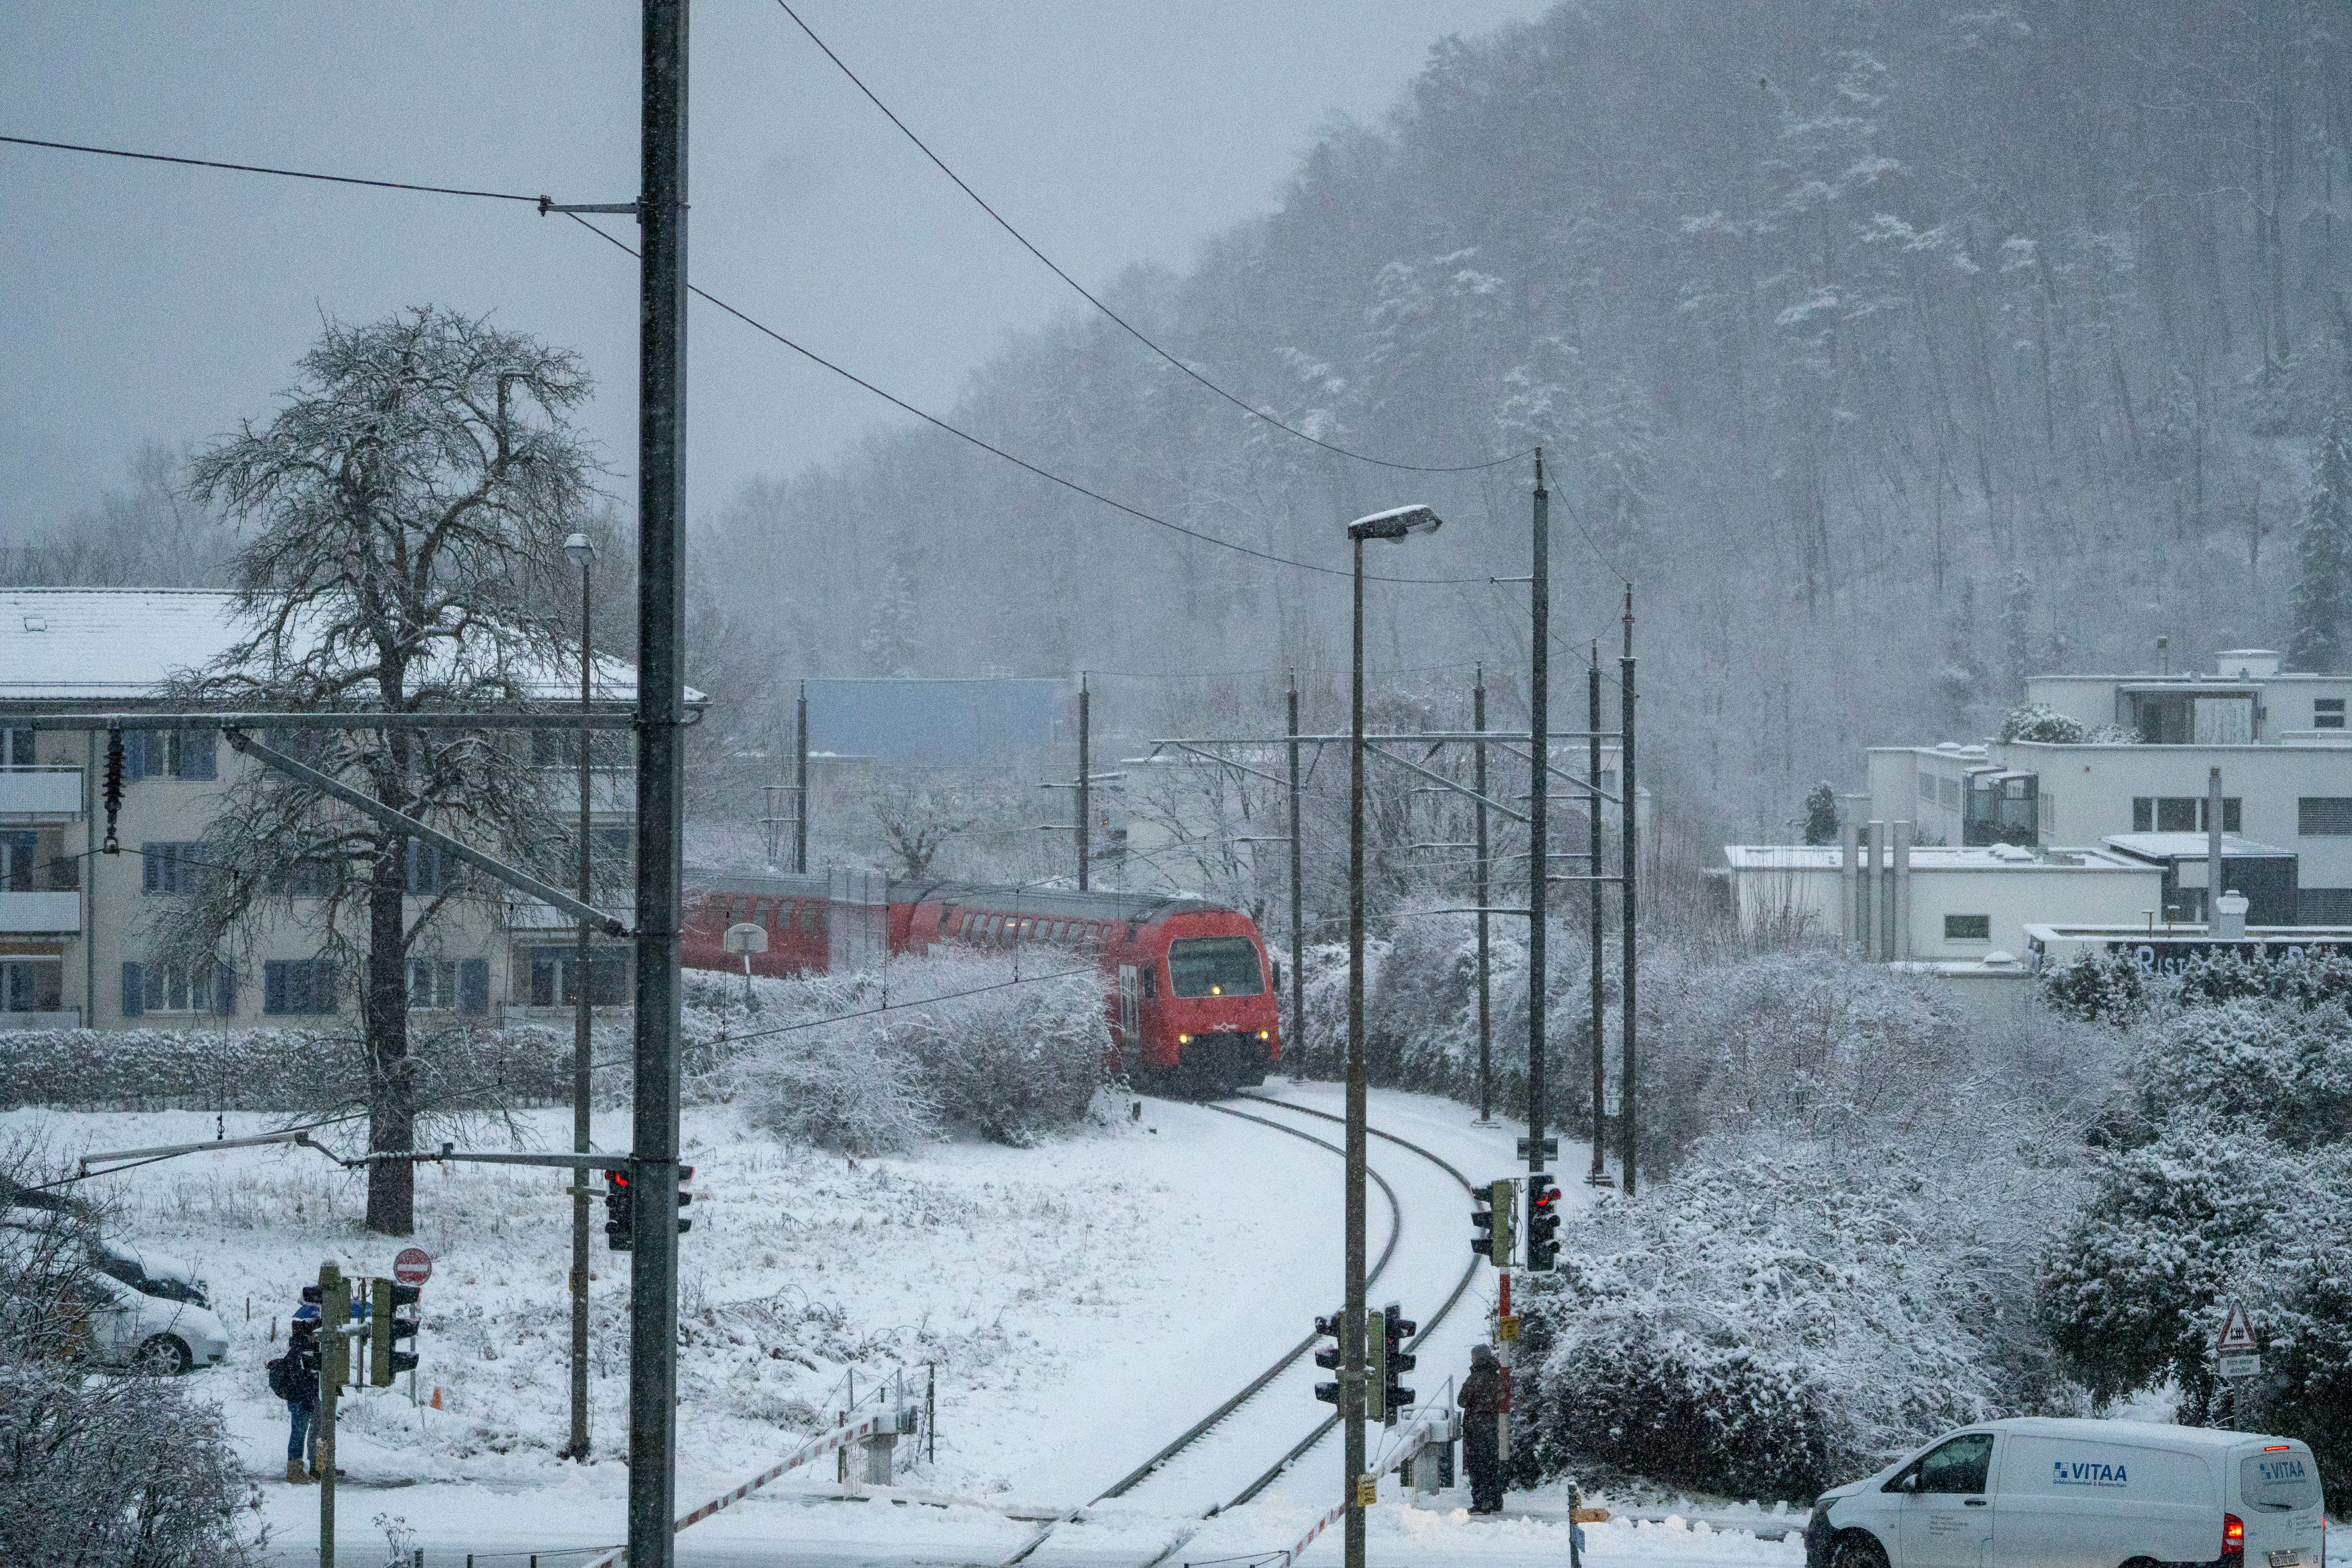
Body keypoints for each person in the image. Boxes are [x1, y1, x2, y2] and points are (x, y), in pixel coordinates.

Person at [1458, 1343, 1505, 1514]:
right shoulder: (1497, 1378)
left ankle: (1481, 1503)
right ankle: (1495, 1500)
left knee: (1477, 1466)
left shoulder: (1474, 1380)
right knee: (1491, 1465)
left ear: (1478, 1358)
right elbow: (1501, 1397)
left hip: (1476, 1428)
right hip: (1492, 1426)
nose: (1471, 1359)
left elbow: (1461, 1401)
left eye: (1473, 1356)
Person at [283, 1301, 321, 1483]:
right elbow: (299, 1377)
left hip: (304, 1397)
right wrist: (306, 1396)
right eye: (314, 1329)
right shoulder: (299, 1350)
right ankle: (294, 1470)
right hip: (300, 1399)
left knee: (301, 1432)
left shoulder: (304, 1349)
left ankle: (300, 1469)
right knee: (298, 1433)